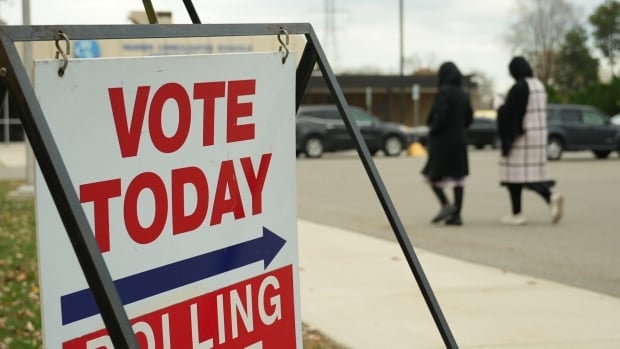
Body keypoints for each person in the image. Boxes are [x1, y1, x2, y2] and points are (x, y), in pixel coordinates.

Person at [496, 56, 564, 225]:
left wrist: (498, 105)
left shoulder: (520, 87)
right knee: (530, 174)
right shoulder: (539, 85)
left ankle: (518, 214)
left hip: (522, 138)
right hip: (539, 136)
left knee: (515, 175)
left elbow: (510, 112)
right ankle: (551, 199)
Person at [421, 62, 473, 226]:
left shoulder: (444, 92)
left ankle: (445, 204)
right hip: (459, 140)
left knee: (431, 175)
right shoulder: (463, 93)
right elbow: (469, 117)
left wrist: (433, 129)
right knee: (458, 178)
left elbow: (439, 116)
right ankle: (456, 215)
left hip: (442, 141)